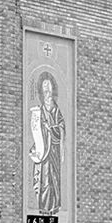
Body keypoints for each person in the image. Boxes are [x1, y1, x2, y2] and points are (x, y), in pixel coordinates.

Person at [29, 77, 65, 214]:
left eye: (49, 90)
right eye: (45, 91)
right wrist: (33, 149)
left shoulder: (56, 110)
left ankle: (53, 206)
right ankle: (43, 207)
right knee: (43, 180)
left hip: (53, 151)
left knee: (52, 178)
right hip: (42, 151)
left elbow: (61, 128)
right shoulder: (39, 110)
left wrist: (51, 128)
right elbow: (36, 132)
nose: (48, 94)